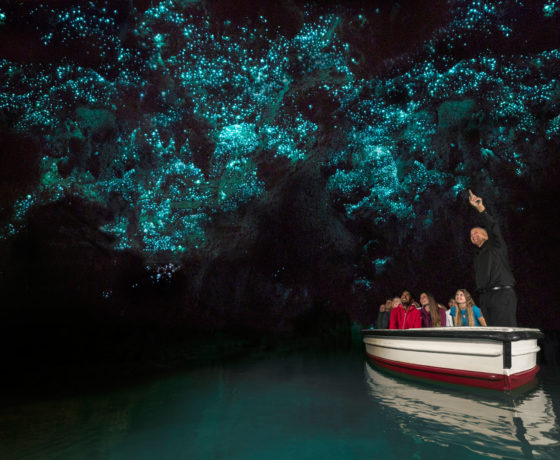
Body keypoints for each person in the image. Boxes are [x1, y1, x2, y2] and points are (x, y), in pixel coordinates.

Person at [468, 190, 517, 326]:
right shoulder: (478, 256)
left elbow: (493, 226)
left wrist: (480, 208)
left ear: (486, 235)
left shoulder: (496, 245)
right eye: (471, 236)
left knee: (504, 331)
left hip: (501, 294)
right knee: (491, 333)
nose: (473, 236)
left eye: (476, 233)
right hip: (485, 297)